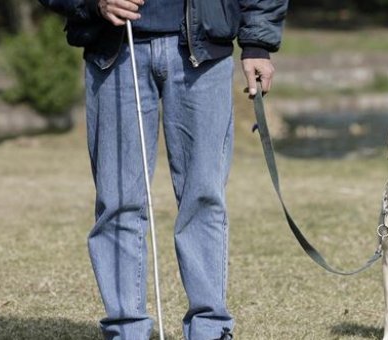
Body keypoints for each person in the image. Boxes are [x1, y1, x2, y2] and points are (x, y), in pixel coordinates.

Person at [37, 0, 288, 339]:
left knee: (204, 199)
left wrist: (257, 41)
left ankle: (209, 330)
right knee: (118, 202)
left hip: (204, 51)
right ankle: (126, 330)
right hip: (114, 50)